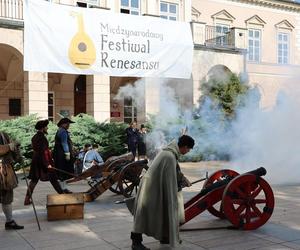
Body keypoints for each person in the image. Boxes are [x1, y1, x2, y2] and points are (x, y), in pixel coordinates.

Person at [130, 135, 195, 250]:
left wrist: (183, 179)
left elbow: (175, 171)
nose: (188, 152)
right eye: (188, 149)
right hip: (150, 188)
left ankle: (165, 236)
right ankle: (136, 243)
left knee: (162, 212)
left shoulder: (170, 153)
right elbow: (170, 181)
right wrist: (174, 194)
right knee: (144, 215)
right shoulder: (169, 156)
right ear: (184, 147)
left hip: (153, 186)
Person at [24, 120, 65, 206]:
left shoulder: (35, 137)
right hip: (42, 161)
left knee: (34, 180)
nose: (47, 128)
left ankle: (27, 199)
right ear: (42, 128)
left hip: (36, 160)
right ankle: (63, 195)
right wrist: (47, 164)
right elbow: (43, 152)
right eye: (46, 126)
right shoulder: (41, 138)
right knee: (53, 178)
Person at [0, 131, 24, 230]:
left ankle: (9, 221)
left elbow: (12, 149)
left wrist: (17, 153)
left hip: (6, 170)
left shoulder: (3, 134)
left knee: (7, 197)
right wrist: (10, 146)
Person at [53, 118, 75, 193]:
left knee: (62, 172)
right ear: (63, 124)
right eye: (67, 124)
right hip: (62, 155)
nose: (69, 125)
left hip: (59, 154)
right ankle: (63, 189)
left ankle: (63, 188)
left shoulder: (60, 130)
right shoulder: (63, 132)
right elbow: (64, 143)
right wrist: (67, 154)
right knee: (63, 172)